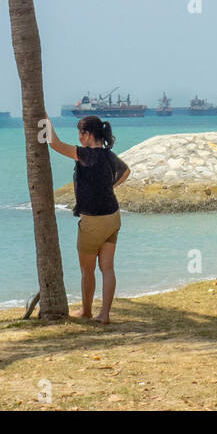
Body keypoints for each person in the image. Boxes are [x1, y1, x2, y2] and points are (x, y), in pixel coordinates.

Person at [46, 115, 130, 324]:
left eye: (80, 134)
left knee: (87, 270)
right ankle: (105, 314)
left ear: (88, 134)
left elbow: (54, 144)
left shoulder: (85, 155)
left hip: (93, 220)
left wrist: (46, 121)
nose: (78, 138)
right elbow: (126, 171)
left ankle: (86, 311)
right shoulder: (108, 156)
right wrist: (109, 187)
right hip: (113, 216)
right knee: (107, 267)